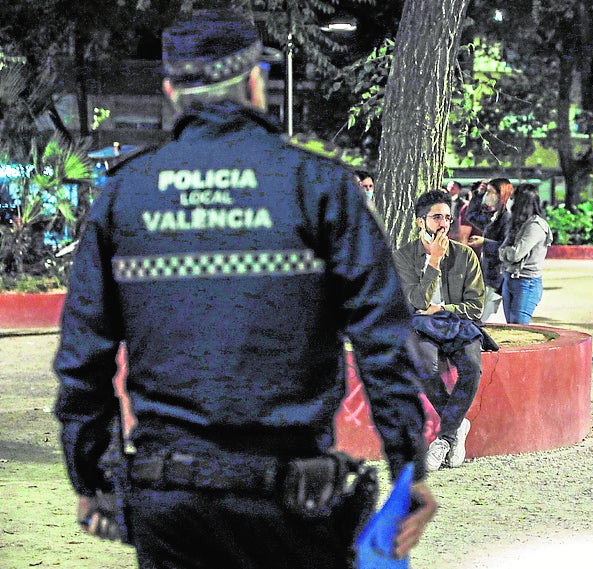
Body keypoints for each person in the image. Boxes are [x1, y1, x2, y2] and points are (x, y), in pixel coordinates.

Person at [52, 8, 436, 569]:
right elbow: (385, 343)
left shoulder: (123, 197)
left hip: (170, 507)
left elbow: (82, 361)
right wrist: (410, 471)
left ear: (170, 91)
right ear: (255, 81)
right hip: (294, 506)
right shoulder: (321, 187)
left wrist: (92, 477)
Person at [392, 190, 485, 472]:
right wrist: (433, 261)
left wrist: (442, 309)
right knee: (425, 367)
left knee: (472, 366)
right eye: (436, 218)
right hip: (421, 328)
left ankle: (445, 437)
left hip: (458, 325)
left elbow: (475, 306)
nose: (443, 223)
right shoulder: (404, 257)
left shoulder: (466, 255)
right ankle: (456, 427)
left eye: (447, 217)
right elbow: (417, 303)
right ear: (421, 222)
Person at [498, 184, 553, 324]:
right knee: (510, 327)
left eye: (513, 198)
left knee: (519, 329)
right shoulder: (518, 223)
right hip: (510, 278)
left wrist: (504, 253)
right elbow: (504, 249)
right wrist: (505, 252)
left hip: (526, 283)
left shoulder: (535, 225)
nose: (510, 201)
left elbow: (516, 254)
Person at [467, 178, 515, 322]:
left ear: (501, 194)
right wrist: (477, 195)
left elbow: (506, 246)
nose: (487, 196)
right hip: (487, 273)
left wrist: (484, 242)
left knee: (487, 316)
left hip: (498, 275)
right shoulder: (494, 215)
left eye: (490, 192)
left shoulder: (507, 217)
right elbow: (472, 216)